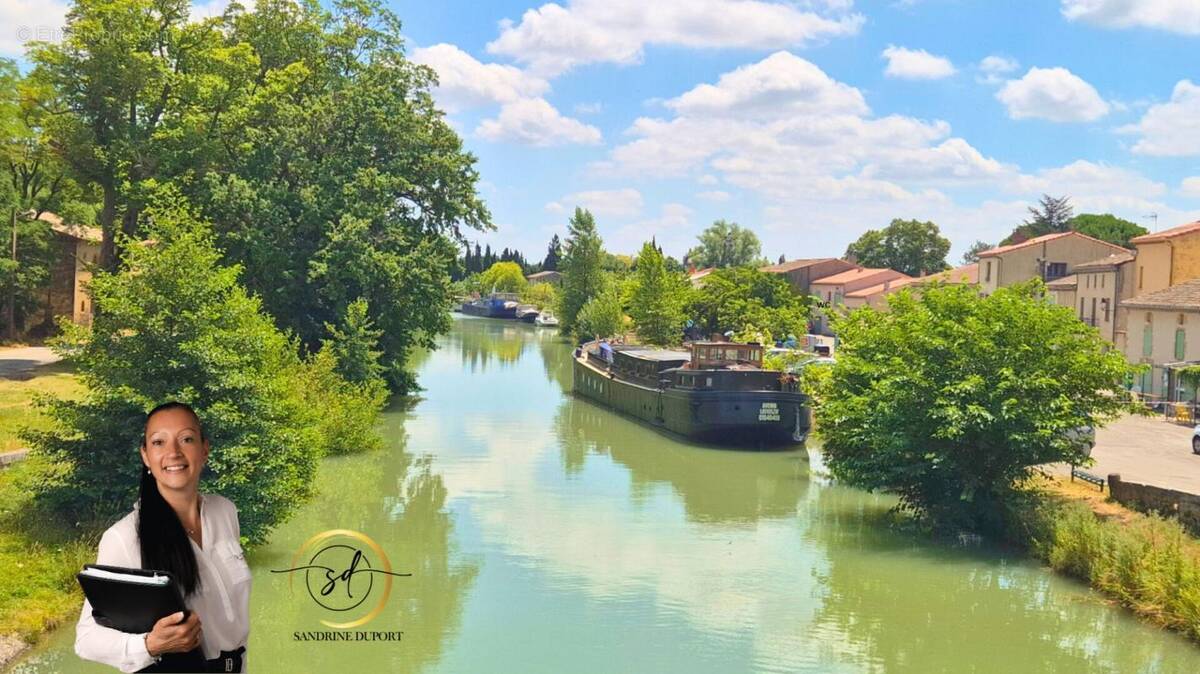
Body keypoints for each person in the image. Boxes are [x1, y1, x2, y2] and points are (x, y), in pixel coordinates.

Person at [75, 402, 251, 673]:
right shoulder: (122, 538)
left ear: (205, 449)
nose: (173, 453)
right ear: (146, 456)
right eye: (159, 442)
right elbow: (86, 640)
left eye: (186, 439)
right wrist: (150, 645)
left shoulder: (225, 511)